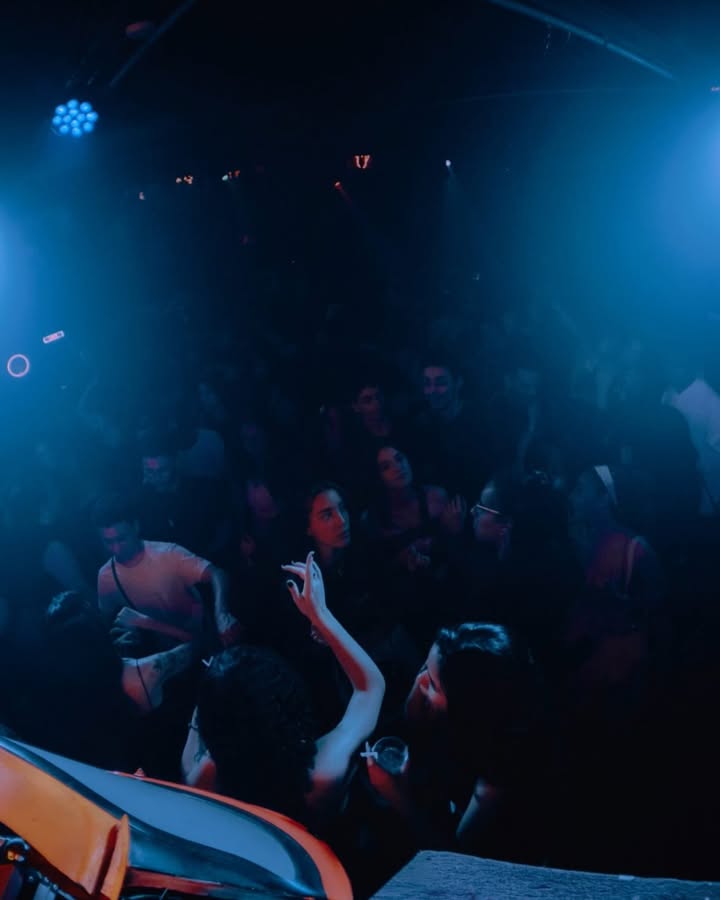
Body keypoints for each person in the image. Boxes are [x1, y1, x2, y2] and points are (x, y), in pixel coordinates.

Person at [183, 552, 385, 830]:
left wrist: (211, 694)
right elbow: (370, 687)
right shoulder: (323, 772)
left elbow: (193, 751)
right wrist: (321, 614)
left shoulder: (204, 779)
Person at [363, 623, 550, 867]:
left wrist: (398, 797)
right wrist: (422, 693)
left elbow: (455, 859)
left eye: (433, 684)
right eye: (424, 667)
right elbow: (413, 724)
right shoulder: (471, 718)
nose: (420, 682)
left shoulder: (500, 771)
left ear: (467, 707)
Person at [94, 494, 239, 656]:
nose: (116, 549)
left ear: (135, 527)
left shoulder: (167, 553)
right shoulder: (105, 577)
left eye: (121, 539)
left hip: (203, 638)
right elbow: (107, 620)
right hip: (162, 656)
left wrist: (221, 612)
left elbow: (216, 573)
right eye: (108, 542)